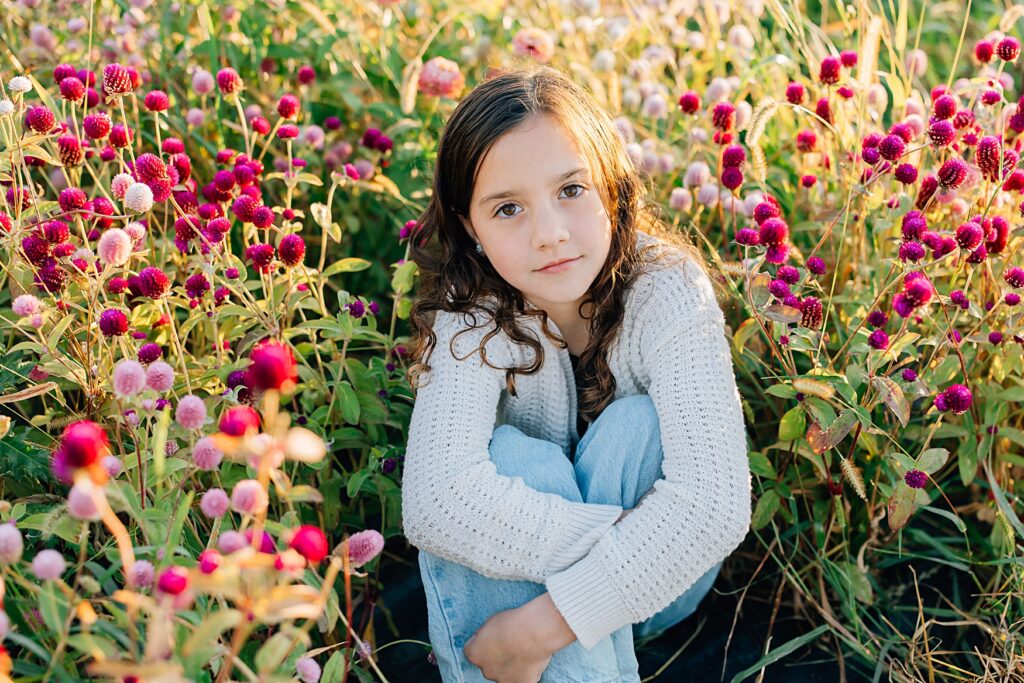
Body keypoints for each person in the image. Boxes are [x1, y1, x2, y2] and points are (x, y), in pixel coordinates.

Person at [401, 65, 752, 683]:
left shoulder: (666, 289)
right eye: (507, 208)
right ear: (468, 228)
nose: (550, 235)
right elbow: (434, 503)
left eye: (571, 190)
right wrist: (624, 540)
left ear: (611, 186)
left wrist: (541, 626)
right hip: (614, 555)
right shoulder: (469, 315)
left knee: (639, 423)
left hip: (657, 594)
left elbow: (716, 506)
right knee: (518, 460)